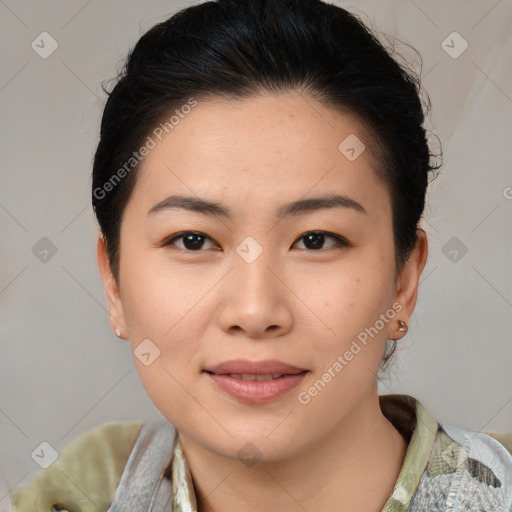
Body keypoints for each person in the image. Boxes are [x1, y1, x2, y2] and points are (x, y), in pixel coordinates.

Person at [10, 0, 512, 511]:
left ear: (404, 280)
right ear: (113, 282)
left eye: (316, 240)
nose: (254, 312)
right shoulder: (73, 495)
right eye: (193, 240)